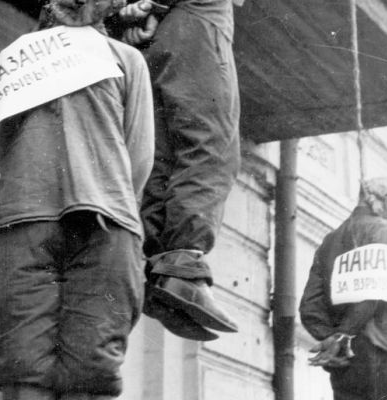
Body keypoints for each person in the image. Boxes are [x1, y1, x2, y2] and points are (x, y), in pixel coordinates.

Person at [0, 1, 155, 398]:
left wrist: (105, 196)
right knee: (23, 367)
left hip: (98, 224)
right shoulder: (19, 57)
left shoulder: (125, 59)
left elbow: (138, 155)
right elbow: (7, 145)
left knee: (88, 371)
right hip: (29, 221)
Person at [112, 0, 240, 340]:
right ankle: (181, 268)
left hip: (166, 33)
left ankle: (161, 269)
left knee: (163, 154)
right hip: (201, 22)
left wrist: (152, 9)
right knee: (211, 146)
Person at [299, 177, 387, 400]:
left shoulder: (330, 240)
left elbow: (309, 307)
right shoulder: (384, 230)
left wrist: (331, 339)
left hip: (347, 360)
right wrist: (343, 335)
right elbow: (374, 288)